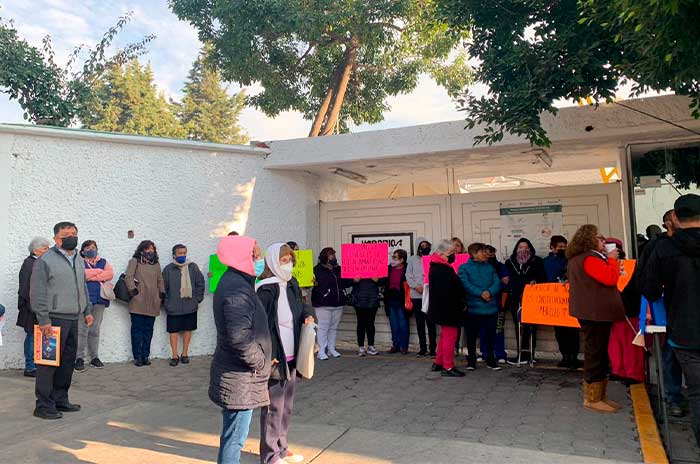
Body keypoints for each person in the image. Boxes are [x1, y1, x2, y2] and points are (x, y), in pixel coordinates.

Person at [642, 194, 700, 447]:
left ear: (674, 218)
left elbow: (649, 288)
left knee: (697, 393)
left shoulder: (663, 249)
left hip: (684, 331)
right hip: (684, 330)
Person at [210, 235, 271, 464]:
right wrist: (260, 361)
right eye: (255, 255)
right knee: (234, 439)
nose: (259, 259)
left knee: (233, 436)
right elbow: (240, 338)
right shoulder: (237, 289)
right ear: (241, 257)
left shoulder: (237, 282)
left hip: (238, 375)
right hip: (240, 378)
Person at [256, 243, 315, 464]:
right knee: (273, 407)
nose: (288, 264)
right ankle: (270, 455)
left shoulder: (292, 284)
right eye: (283, 260)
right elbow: (260, 325)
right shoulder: (265, 289)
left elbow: (303, 305)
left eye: (290, 260)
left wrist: (309, 316)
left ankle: (282, 447)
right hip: (276, 356)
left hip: (293, 354)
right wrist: (267, 354)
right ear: (273, 261)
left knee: (287, 406)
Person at [29, 222, 94, 420]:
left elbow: (82, 285)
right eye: (66, 234)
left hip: (74, 318)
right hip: (53, 319)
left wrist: (87, 309)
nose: (71, 237)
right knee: (48, 364)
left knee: (67, 362)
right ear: (56, 238)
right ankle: (43, 405)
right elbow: (37, 292)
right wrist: (44, 320)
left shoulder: (79, 258)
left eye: (74, 233)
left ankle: (60, 399)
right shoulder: (45, 260)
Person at [567, 224, 625, 413]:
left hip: (594, 313)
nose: (604, 241)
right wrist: (613, 261)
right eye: (599, 238)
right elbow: (609, 278)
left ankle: (599, 395)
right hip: (595, 313)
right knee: (595, 354)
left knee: (598, 353)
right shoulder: (589, 258)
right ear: (589, 239)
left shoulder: (583, 258)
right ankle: (592, 398)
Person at [638, 209, 685, 417]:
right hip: (668, 311)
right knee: (671, 355)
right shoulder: (657, 247)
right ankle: (672, 396)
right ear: (669, 222)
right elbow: (646, 280)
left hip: (677, 311)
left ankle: (674, 397)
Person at [606, 238, 645, 386]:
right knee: (615, 343)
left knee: (631, 344)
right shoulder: (606, 265)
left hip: (630, 309)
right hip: (612, 310)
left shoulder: (631, 266)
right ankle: (618, 370)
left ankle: (633, 373)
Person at [458, 243, 501, 371]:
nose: (486, 254)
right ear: (474, 254)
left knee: (490, 335)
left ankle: (490, 359)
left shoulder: (490, 267)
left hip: (491, 308)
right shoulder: (464, 268)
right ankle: (471, 360)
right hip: (473, 308)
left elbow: (497, 282)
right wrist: (480, 293)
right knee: (471, 336)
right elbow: (465, 284)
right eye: (483, 252)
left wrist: (490, 292)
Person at [427, 239, 467, 377]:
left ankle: (438, 362)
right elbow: (452, 289)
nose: (453, 255)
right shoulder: (442, 269)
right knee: (450, 337)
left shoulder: (436, 266)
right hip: (448, 309)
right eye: (450, 253)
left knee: (445, 336)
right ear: (441, 253)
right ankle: (448, 367)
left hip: (442, 308)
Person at [73, 240, 114, 372]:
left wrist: (90, 275)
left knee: (95, 330)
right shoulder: (78, 261)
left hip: (99, 300)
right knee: (82, 330)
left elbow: (109, 274)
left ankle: (94, 357)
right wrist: (98, 272)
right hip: (83, 300)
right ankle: (79, 358)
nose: (91, 249)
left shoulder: (104, 261)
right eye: (88, 247)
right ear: (83, 250)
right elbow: (80, 275)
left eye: (93, 247)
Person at [163, 244, 205, 367]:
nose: (182, 255)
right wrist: (166, 302)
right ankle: (174, 355)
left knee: (188, 329)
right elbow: (162, 287)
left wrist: (197, 299)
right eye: (180, 253)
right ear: (174, 255)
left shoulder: (193, 267)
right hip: (173, 306)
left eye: (184, 253)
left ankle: (184, 354)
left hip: (189, 306)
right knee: (173, 331)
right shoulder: (168, 269)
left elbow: (200, 283)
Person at [505, 238, 546, 365]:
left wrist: (535, 281)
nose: (523, 250)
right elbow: (508, 279)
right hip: (515, 297)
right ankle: (520, 354)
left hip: (532, 298)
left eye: (526, 247)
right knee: (518, 326)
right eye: (520, 247)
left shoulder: (537, 260)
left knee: (531, 326)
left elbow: (542, 277)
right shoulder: (510, 262)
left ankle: (530, 354)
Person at [125, 240, 165, 367]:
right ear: (141, 250)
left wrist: (161, 294)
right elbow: (128, 277)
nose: (150, 252)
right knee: (137, 330)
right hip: (138, 301)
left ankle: (145, 355)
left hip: (153, 302)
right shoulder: (134, 261)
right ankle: (137, 357)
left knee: (148, 330)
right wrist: (134, 292)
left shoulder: (156, 264)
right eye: (147, 249)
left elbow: (160, 280)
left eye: (152, 249)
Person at [543, 235, 580, 369]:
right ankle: (564, 356)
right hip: (555, 301)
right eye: (560, 248)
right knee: (560, 331)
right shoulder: (546, 262)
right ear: (552, 248)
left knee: (573, 331)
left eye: (564, 247)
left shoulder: (571, 260)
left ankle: (573, 357)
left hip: (569, 299)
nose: (562, 250)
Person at [17, 237, 50, 377]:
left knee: (38, 336)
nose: (47, 251)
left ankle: (38, 364)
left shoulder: (40, 263)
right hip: (32, 308)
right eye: (44, 248)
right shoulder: (29, 264)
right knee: (31, 336)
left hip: (39, 306)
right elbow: (26, 288)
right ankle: (30, 367)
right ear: (36, 250)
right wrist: (34, 307)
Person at [311, 248, 347, 360]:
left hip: (338, 303)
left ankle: (331, 348)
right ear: (325, 257)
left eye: (334, 255)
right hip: (323, 304)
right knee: (323, 327)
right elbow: (310, 283)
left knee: (333, 327)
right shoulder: (316, 270)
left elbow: (345, 282)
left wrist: (354, 280)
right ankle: (321, 350)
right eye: (331, 255)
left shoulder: (338, 269)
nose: (334, 257)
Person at [406, 238, 436, 357]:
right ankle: (422, 348)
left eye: (426, 245)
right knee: (420, 323)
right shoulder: (412, 259)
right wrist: (415, 286)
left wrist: (429, 287)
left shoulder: (433, 258)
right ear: (418, 247)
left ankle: (433, 349)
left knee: (431, 322)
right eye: (422, 245)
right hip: (416, 295)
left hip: (429, 294)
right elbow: (408, 275)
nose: (424, 247)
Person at [482, 245, 509, 363]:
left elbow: (506, 282)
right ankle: (485, 353)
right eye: (488, 254)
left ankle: (500, 353)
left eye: (493, 254)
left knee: (498, 329)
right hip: (483, 303)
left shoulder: (501, 266)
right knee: (483, 329)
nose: (491, 257)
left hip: (498, 302)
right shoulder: (481, 267)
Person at [382, 249, 409, 354]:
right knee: (393, 324)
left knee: (403, 324)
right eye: (392, 257)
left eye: (395, 257)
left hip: (402, 300)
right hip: (391, 299)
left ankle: (404, 346)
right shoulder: (389, 269)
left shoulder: (407, 269)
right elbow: (383, 281)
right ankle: (395, 345)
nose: (392, 259)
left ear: (402, 260)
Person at [351, 277, 381, 356]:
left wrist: (378, 280)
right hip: (359, 299)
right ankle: (361, 347)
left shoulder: (376, 265)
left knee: (370, 324)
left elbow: (384, 281)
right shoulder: (355, 265)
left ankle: (371, 346)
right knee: (361, 324)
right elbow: (345, 282)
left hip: (373, 299)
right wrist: (353, 280)